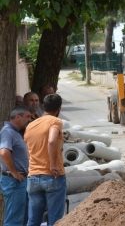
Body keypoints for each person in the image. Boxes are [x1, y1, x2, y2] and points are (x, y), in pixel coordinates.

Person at [24, 93, 66, 226]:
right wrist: (53, 165)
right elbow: (52, 141)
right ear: (59, 109)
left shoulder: (31, 125)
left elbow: (27, 150)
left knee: (33, 220)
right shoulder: (55, 121)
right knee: (55, 220)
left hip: (33, 177)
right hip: (52, 176)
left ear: (43, 106)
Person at [0, 107, 31, 226]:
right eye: (27, 116)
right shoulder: (8, 131)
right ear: (18, 117)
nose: (29, 119)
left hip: (19, 181)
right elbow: (4, 152)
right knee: (14, 219)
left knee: (21, 217)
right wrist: (14, 172)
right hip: (14, 181)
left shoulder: (14, 132)